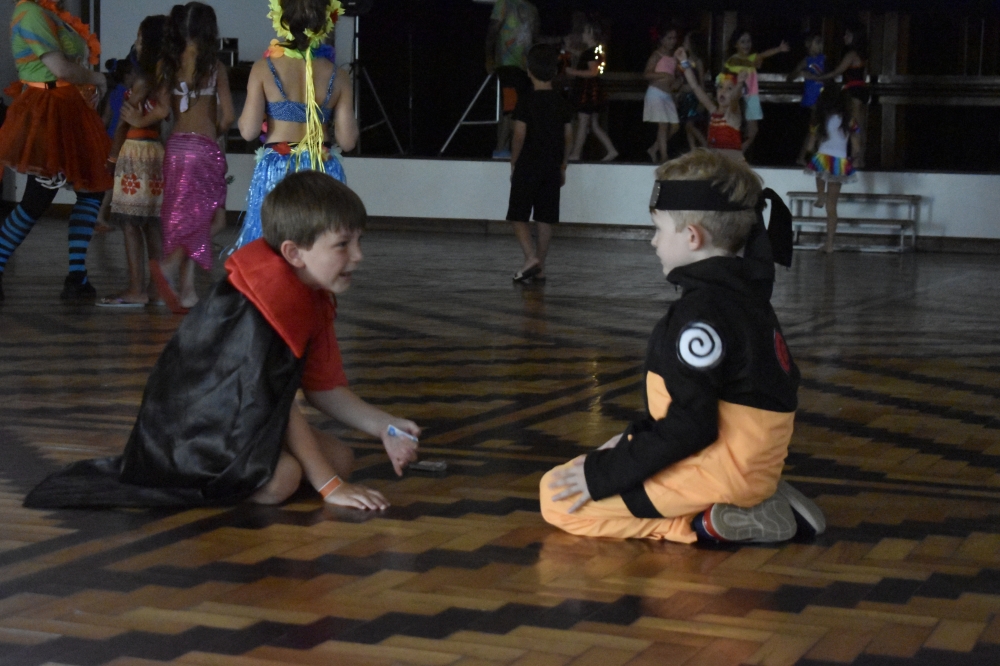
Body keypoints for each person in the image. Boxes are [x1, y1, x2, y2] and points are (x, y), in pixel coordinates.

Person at [24, 171, 421, 510]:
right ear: (294, 253)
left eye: (358, 241)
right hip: (196, 426)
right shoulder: (263, 303)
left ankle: (266, 466)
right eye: (343, 245)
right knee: (283, 479)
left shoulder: (311, 294)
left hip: (246, 416)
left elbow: (322, 388)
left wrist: (386, 427)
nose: (358, 256)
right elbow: (279, 404)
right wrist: (330, 487)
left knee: (341, 458)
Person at [538, 149, 824, 544]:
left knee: (556, 497)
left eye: (658, 229)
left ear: (692, 236)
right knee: (586, 469)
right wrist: (628, 443)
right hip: (753, 463)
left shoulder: (699, 315)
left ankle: (705, 523)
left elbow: (691, 427)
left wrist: (605, 473)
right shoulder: (747, 296)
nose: (653, 241)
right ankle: (755, 497)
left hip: (720, 469)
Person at [0, 0, 113, 304]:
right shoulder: (29, 12)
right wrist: (99, 79)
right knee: (37, 198)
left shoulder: (49, 14)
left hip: (68, 109)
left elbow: (68, 68)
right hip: (47, 110)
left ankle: (77, 276)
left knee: (92, 189)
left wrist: (86, 87)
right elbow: (60, 69)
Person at [228, 0, 359, 254]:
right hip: (321, 170)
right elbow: (348, 140)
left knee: (275, 246)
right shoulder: (338, 75)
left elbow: (249, 131)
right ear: (325, 21)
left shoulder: (263, 69)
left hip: (277, 169)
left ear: (282, 19)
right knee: (315, 245)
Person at [148, 1, 235, 315]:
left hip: (175, 149)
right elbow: (229, 116)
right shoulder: (214, 68)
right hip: (203, 149)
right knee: (211, 219)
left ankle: (187, 291)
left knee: (186, 217)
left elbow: (161, 110)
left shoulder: (167, 65)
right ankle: (170, 265)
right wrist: (215, 131)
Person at [97, 15, 169, 308]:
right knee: (151, 223)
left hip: (136, 152)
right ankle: (156, 289)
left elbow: (124, 124)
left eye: (139, 39)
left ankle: (136, 289)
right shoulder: (164, 77)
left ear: (148, 44)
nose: (136, 44)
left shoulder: (142, 81)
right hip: (155, 151)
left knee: (129, 224)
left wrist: (112, 157)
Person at [507, 44, 574, 283]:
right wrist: (563, 165)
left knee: (518, 215)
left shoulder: (526, 101)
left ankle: (530, 258)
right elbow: (568, 136)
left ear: (529, 71)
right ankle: (541, 267)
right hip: (552, 166)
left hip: (528, 164)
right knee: (545, 218)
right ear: (555, 71)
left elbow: (519, 135)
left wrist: (513, 162)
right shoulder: (562, 101)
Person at [803, 84, 861, 254]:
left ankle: (820, 195)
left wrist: (807, 155)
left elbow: (810, 144)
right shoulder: (849, 120)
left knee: (819, 172)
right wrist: (854, 159)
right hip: (839, 161)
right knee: (832, 206)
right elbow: (856, 147)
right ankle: (829, 244)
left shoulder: (819, 119)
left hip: (823, 157)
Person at [485, 0, 539, 160]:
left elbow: (535, 38)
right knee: (510, 108)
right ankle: (500, 148)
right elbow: (492, 31)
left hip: (524, 68)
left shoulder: (532, 8)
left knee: (516, 110)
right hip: (507, 65)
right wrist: (488, 57)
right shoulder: (504, 3)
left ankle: (507, 148)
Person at [723, 31, 790, 154]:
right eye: (742, 41)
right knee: (735, 129)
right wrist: (755, 62)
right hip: (738, 98)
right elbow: (748, 63)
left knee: (753, 131)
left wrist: (779, 49)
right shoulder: (733, 60)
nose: (746, 44)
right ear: (735, 44)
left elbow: (763, 55)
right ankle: (733, 155)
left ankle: (737, 154)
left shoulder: (751, 58)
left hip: (752, 97)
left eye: (748, 41)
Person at [676, 47, 746, 163]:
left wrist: (739, 84)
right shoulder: (713, 110)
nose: (723, 91)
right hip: (717, 163)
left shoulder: (733, 113)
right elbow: (695, 86)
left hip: (733, 166)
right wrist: (684, 62)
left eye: (729, 89)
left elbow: (734, 97)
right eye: (720, 87)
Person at [813, 23, 868, 168]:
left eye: (848, 34)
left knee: (854, 125)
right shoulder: (861, 54)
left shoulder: (852, 54)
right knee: (859, 126)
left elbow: (837, 71)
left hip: (854, 91)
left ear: (855, 36)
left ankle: (856, 159)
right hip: (861, 90)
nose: (845, 37)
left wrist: (820, 77)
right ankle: (859, 159)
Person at [565, 18, 617, 162]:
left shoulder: (590, 52)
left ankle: (576, 153)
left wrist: (573, 72)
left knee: (583, 122)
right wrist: (570, 49)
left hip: (587, 92)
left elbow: (593, 72)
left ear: (592, 34)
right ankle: (611, 150)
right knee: (593, 124)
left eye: (585, 32)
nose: (582, 34)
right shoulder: (596, 50)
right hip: (593, 92)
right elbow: (585, 58)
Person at [642, 26, 680, 163]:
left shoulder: (674, 56)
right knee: (663, 125)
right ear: (662, 39)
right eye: (669, 38)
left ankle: (654, 148)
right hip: (656, 92)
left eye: (674, 38)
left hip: (668, 94)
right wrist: (663, 75)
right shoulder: (656, 55)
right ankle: (664, 156)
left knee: (675, 126)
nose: (672, 41)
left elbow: (676, 75)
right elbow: (647, 74)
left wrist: (676, 83)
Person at [788, 33, 826, 166]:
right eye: (817, 42)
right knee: (814, 128)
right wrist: (801, 73)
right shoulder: (806, 61)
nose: (820, 46)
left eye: (820, 42)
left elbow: (830, 75)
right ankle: (805, 157)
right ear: (809, 45)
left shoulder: (824, 59)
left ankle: (808, 156)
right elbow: (790, 77)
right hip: (812, 98)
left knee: (817, 129)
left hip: (822, 97)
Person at [676, 31, 708, 153]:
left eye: (686, 41)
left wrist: (702, 101)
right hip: (685, 97)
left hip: (694, 97)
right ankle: (693, 150)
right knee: (687, 125)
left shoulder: (698, 61)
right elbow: (680, 79)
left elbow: (701, 82)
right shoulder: (684, 61)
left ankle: (705, 145)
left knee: (690, 125)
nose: (684, 43)